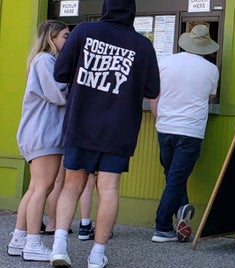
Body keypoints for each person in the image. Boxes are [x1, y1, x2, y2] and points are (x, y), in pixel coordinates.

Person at [49, 0, 160, 267]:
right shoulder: (143, 45)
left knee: (72, 185)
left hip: (81, 123)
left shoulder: (83, 32)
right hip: (119, 130)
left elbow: (60, 72)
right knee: (108, 189)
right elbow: (152, 89)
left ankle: (59, 247)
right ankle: (97, 256)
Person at [148, 24, 219, 243]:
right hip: (190, 130)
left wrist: (159, 119)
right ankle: (162, 227)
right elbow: (211, 98)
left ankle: (180, 215)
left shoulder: (166, 62)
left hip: (165, 127)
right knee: (175, 178)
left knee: (172, 177)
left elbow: (153, 95)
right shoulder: (211, 69)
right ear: (206, 47)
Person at [7, 20, 69, 262]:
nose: (68, 40)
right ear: (51, 37)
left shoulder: (40, 60)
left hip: (37, 133)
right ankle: (33, 242)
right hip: (45, 133)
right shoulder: (46, 60)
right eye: (65, 36)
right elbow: (59, 94)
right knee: (42, 188)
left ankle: (19, 239)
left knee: (35, 188)